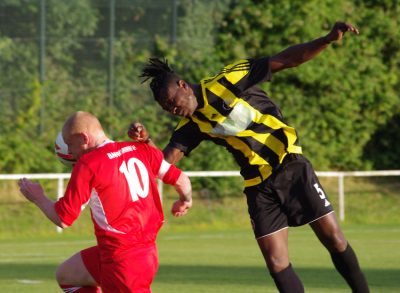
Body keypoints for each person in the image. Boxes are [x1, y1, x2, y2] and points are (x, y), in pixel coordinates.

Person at [128, 22, 369, 292]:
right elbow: (163, 162)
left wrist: (326, 39)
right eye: (166, 108)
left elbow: (286, 59)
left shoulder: (228, 81)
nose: (173, 109)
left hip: (289, 164)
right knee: (277, 262)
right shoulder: (192, 125)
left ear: (183, 85)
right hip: (258, 186)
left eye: (173, 101)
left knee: (333, 239)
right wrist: (145, 142)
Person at [18, 111, 193, 293]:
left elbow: (63, 218)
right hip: (140, 253)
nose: (70, 151)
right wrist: (185, 200)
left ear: (84, 137)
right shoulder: (140, 149)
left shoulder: (88, 165)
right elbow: (182, 180)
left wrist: (38, 197)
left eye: (70, 145)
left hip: (122, 262)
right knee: (67, 275)